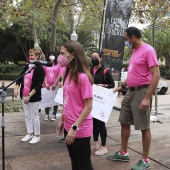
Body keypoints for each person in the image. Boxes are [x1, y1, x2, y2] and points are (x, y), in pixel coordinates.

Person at [107, 27, 160, 170]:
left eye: (126, 39)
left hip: (142, 92)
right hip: (130, 91)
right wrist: (122, 86)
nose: (125, 42)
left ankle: (145, 160)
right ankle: (123, 152)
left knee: (144, 126)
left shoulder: (148, 50)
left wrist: (147, 98)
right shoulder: (135, 52)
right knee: (124, 121)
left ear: (133, 38)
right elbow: (134, 73)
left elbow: (156, 75)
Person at [56, 41, 94, 170]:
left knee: (84, 164)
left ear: (73, 55)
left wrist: (74, 127)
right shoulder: (67, 74)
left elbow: (88, 106)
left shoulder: (83, 78)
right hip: (69, 125)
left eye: (62, 53)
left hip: (80, 128)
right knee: (74, 161)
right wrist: (62, 120)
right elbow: (67, 101)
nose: (59, 57)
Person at [14, 48, 45, 144]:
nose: (30, 57)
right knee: (27, 115)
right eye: (30, 55)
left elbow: (39, 84)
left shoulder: (39, 68)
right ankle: (29, 133)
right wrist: (16, 88)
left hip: (34, 96)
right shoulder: (28, 66)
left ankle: (37, 135)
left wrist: (29, 95)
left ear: (37, 57)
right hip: (24, 94)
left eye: (32, 55)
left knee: (34, 116)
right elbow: (19, 78)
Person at [90, 51, 115, 156]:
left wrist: (103, 85)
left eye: (96, 57)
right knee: (93, 123)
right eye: (92, 57)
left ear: (100, 58)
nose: (93, 59)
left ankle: (104, 146)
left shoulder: (105, 71)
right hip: (92, 100)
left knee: (101, 123)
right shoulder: (89, 70)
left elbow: (112, 84)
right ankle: (95, 142)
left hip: (101, 101)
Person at [43, 51, 61, 121]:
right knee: (46, 100)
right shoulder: (46, 64)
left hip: (55, 85)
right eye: (50, 55)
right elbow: (43, 74)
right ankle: (46, 114)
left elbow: (60, 74)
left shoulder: (58, 64)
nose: (51, 56)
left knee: (55, 100)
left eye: (53, 55)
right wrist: (46, 83)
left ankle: (54, 114)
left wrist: (55, 83)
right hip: (46, 85)